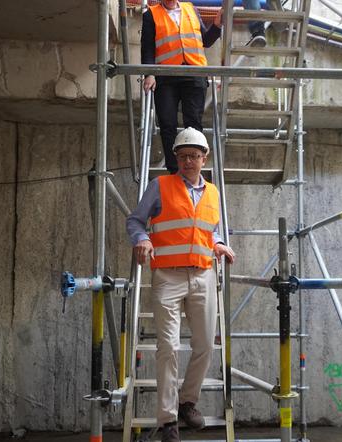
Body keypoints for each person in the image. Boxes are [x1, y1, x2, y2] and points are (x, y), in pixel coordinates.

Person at [126, 127, 236, 442]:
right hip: (168, 277)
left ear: (204, 159)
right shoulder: (160, 186)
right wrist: (143, 238)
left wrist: (218, 243)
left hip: (202, 275)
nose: (189, 161)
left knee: (203, 345)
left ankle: (188, 401)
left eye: (195, 156)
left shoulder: (214, 192)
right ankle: (168, 420)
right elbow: (135, 220)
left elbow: (208, 229)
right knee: (168, 347)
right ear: (176, 157)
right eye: (183, 155)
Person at [141, 0, 223, 174]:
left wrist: (215, 26)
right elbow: (147, 48)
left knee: (193, 123)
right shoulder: (151, 14)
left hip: (194, 73)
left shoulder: (190, 9)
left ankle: (194, 168)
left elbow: (205, 41)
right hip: (166, 76)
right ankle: (175, 171)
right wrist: (149, 73)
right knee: (167, 123)